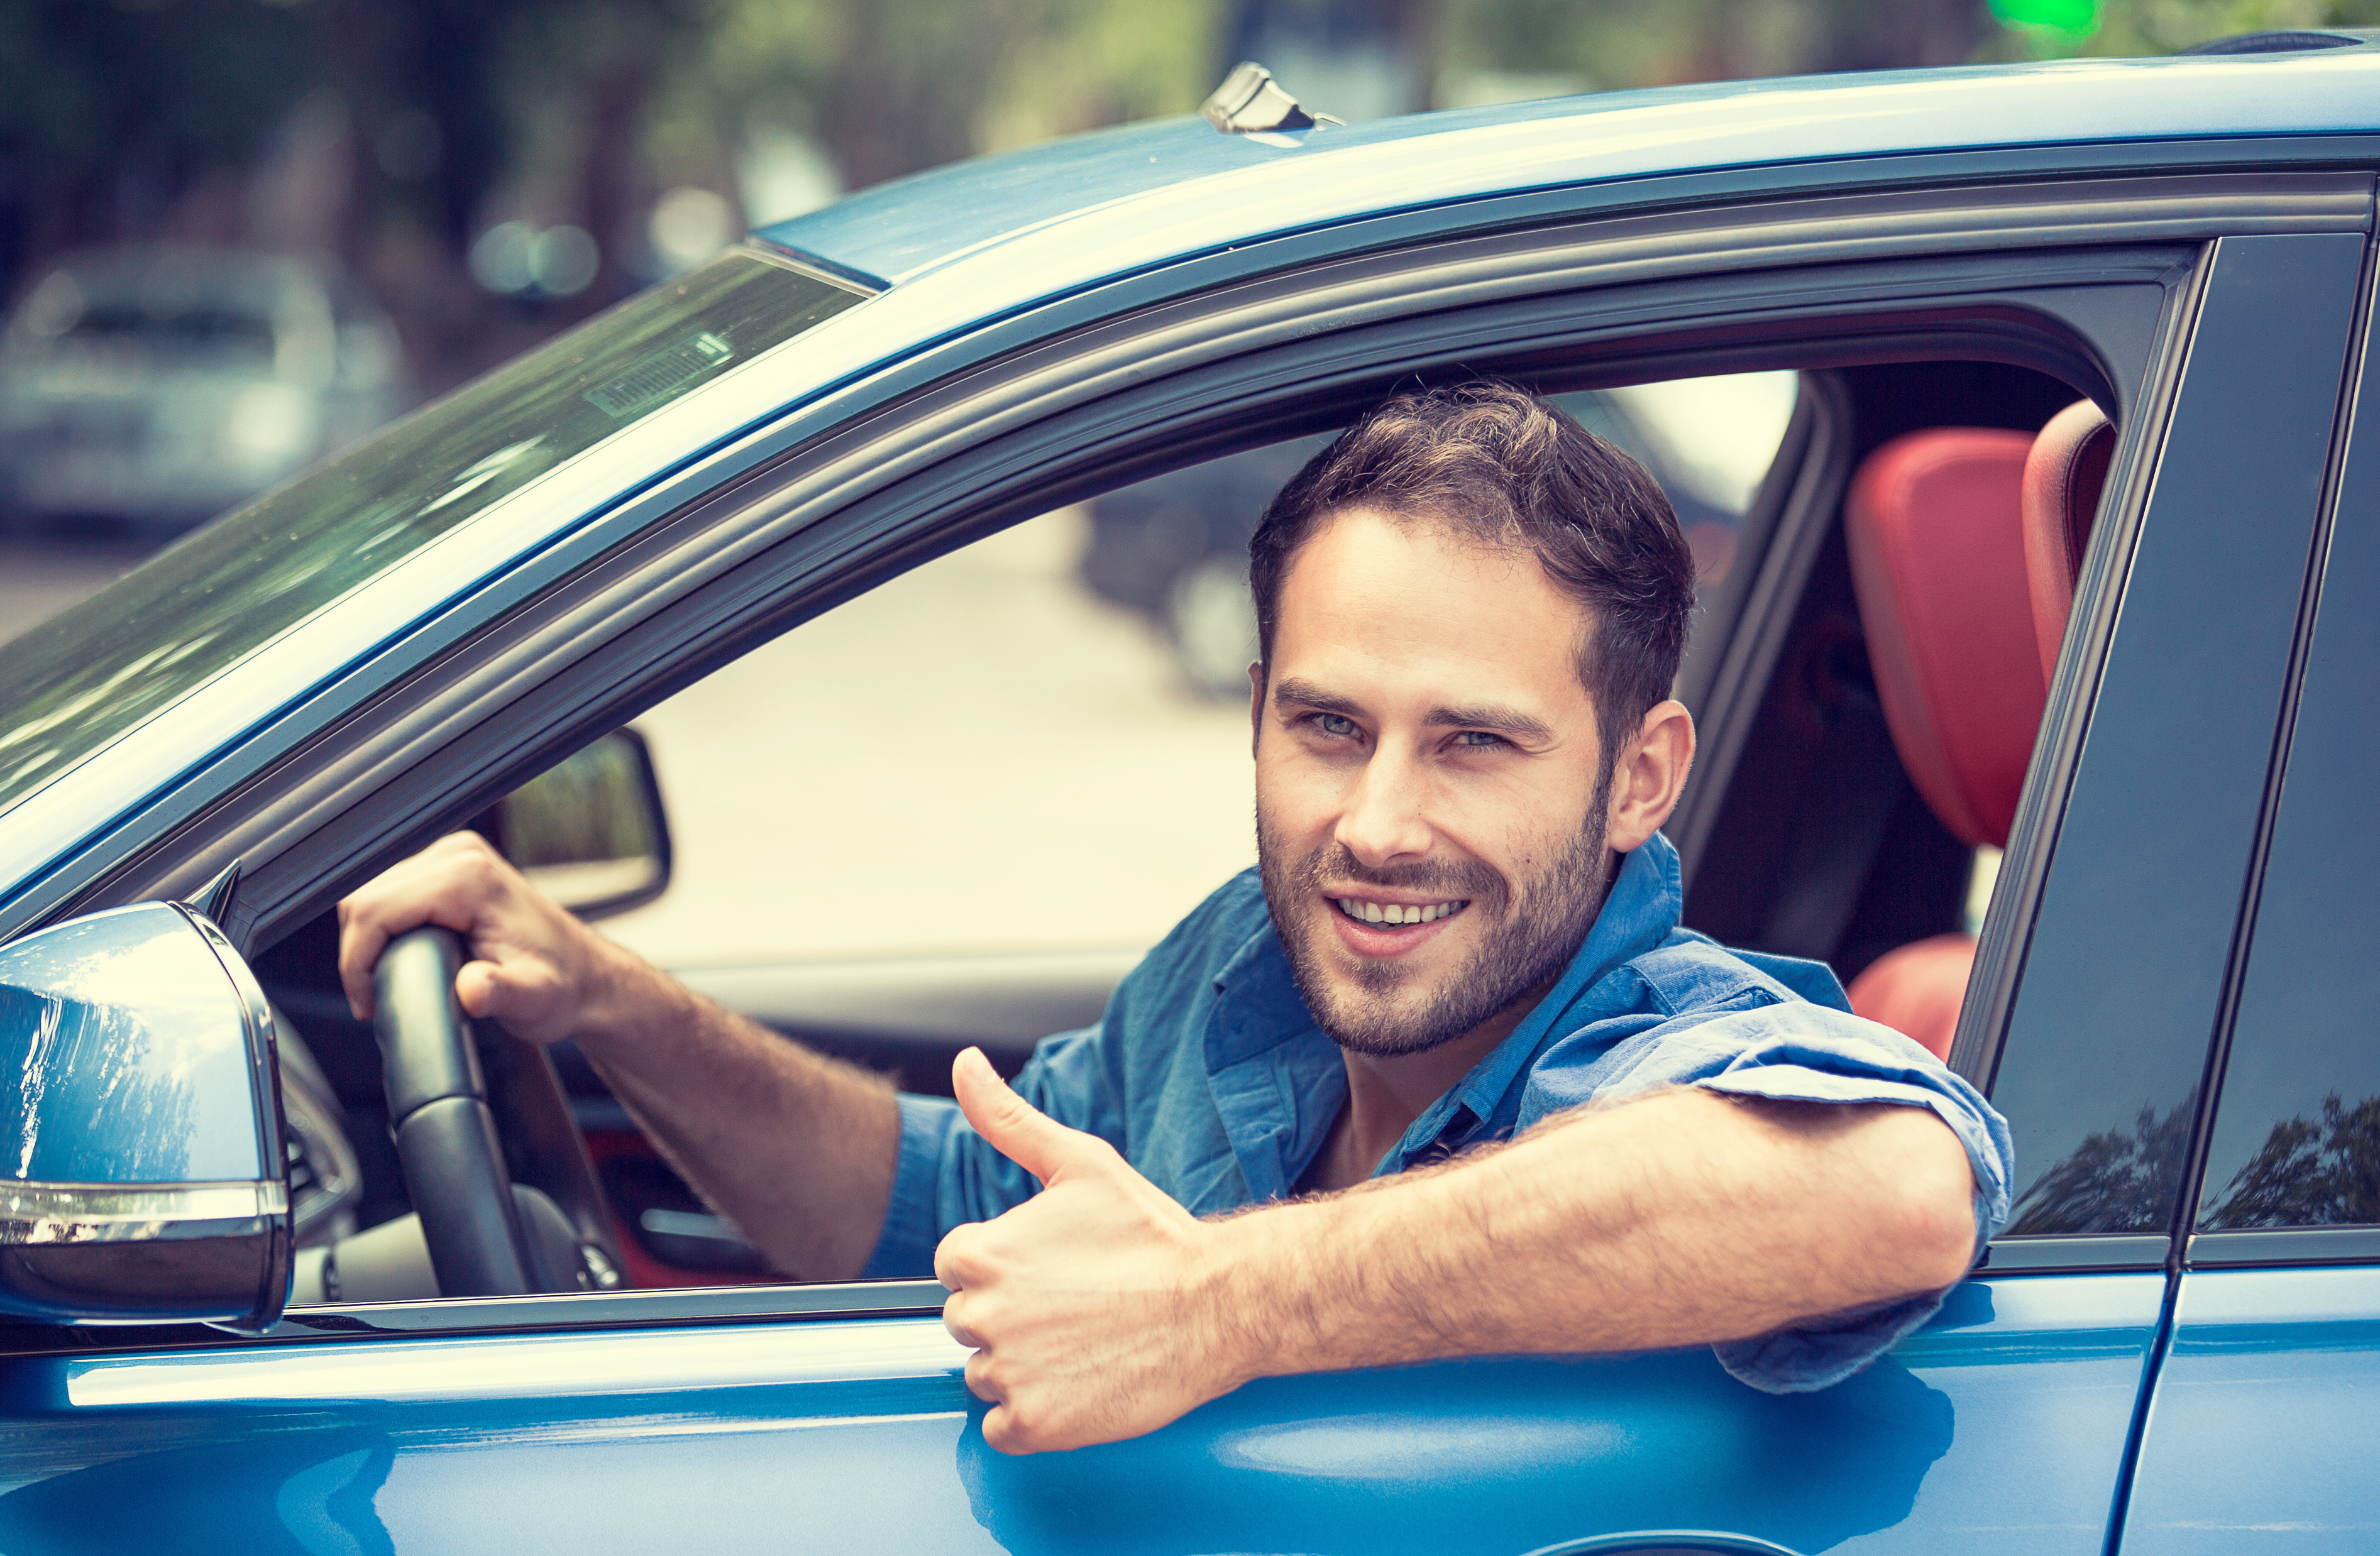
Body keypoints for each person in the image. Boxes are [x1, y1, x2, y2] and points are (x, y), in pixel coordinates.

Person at [339, 380, 2012, 1457]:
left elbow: (1890, 1181)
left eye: (1476, 743)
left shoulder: (1657, 1034)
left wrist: (1228, 1302)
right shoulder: (1246, 968)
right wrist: (610, 1003)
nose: (1374, 826)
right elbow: (929, 1202)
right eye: (1326, 723)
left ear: (1640, 778)